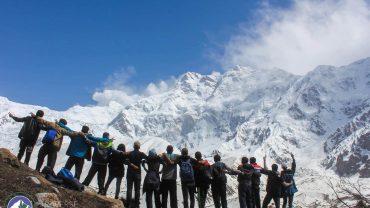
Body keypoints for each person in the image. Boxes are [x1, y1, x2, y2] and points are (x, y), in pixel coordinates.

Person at [126, 141, 148, 208]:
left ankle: (128, 204)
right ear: (139, 147)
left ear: (134, 146)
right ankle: (137, 204)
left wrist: (131, 164)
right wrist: (143, 161)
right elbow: (148, 159)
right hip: (137, 173)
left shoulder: (130, 153)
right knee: (137, 189)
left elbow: (125, 161)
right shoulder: (141, 154)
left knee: (129, 188)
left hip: (129, 173)